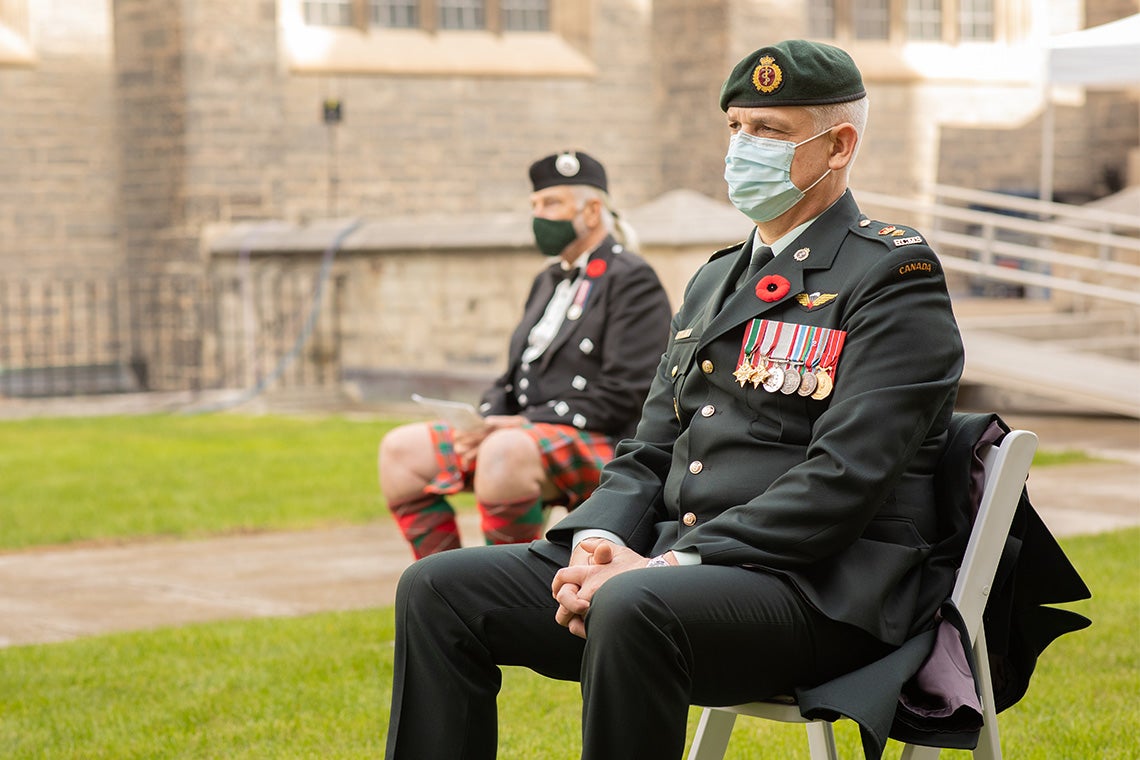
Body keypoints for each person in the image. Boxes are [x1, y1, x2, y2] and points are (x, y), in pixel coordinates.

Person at [385, 40, 966, 759]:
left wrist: (664, 565)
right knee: (437, 589)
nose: (743, 148)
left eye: (771, 132)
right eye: (736, 128)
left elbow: (846, 477)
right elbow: (647, 450)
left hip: (823, 592)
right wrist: (599, 541)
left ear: (840, 144)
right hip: (681, 574)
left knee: (633, 605)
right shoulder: (715, 279)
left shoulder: (893, 272)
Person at [379, 151, 672, 558]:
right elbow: (514, 375)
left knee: (505, 451)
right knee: (400, 451)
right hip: (525, 434)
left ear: (592, 212)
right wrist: (482, 421)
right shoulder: (548, 279)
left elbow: (628, 393)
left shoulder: (632, 279)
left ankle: (507, 590)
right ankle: (446, 586)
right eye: (534, 205)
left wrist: (517, 424)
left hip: (605, 440)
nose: (539, 216)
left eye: (551, 204)